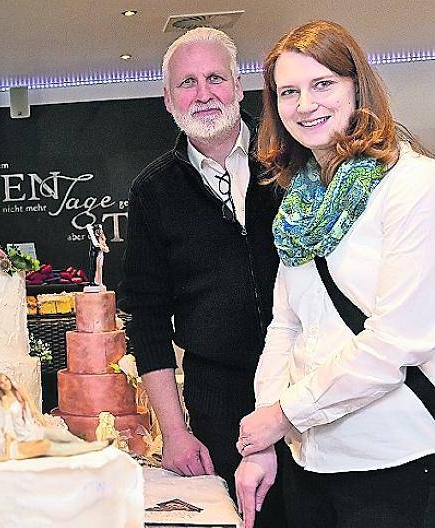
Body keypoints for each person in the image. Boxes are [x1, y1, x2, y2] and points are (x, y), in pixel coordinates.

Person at [234, 20, 435, 528]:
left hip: (398, 460)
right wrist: (264, 439)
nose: (305, 105)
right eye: (289, 92)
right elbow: (286, 327)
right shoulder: (300, 202)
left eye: (323, 84)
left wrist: (284, 415)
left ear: (357, 87)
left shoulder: (413, 185)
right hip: (310, 461)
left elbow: (396, 342)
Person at [117, 27, 286, 526]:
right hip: (218, 397)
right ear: (168, 99)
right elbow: (146, 318)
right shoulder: (153, 192)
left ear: (238, 86)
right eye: (187, 82)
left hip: (310, 383)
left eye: (215, 77)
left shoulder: (291, 161)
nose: (204, 93)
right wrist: (174, 431)